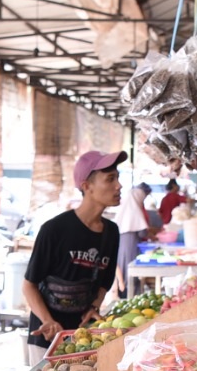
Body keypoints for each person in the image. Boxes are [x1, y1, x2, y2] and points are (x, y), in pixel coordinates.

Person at [23, 150, 123, 354]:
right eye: (110, 179)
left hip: (84, 336)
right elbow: (29, 285)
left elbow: (105, 282)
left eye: (118, 178)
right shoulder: (55, 230)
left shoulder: (111, 232)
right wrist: (48, 321)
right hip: (47, 335)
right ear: (87, 186)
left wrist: (93, 307)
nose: (118, 185)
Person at [113, 181, 150, 298]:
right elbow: (142, 232)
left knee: (123, 265)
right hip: (130, 242)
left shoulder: (127, 206)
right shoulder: (134, 209)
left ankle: (125, 291)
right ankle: (128, 293)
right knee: (130, 267)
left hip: (125, 241)